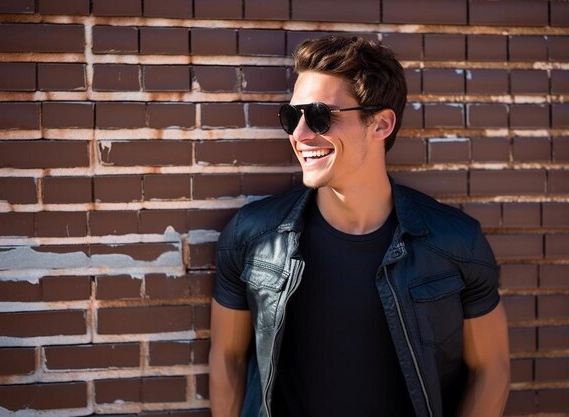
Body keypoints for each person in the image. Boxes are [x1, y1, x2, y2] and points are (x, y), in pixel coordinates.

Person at [209, 35, 510, 417]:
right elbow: (227, 359)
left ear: (381, 123)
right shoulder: (253, 236)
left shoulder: (455, 243)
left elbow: (492, 369)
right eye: (291, 116)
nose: (299, 135)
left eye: (319, 116)